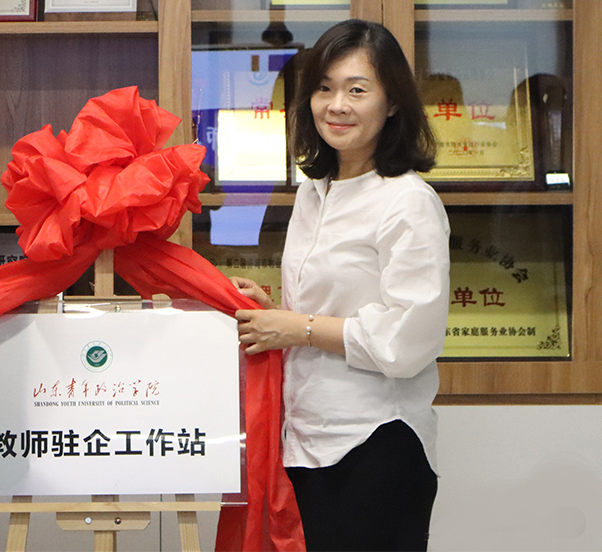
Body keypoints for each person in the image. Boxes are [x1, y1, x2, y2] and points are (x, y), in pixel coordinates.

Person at [232, 19, 449, 551]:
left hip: (375, 444)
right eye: (324, 89)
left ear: (392, 102)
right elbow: (330, 303)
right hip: (303, 438)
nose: (336, 105)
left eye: (357, 90)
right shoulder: (315, 190)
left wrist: (297, 327)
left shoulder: (408, 202)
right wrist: (275, 310)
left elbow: (407, 341)